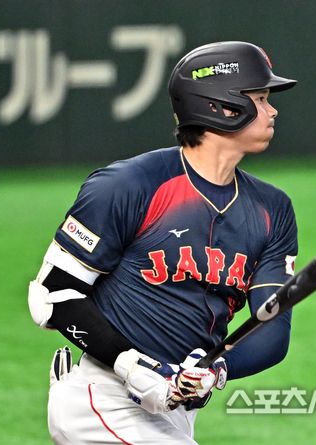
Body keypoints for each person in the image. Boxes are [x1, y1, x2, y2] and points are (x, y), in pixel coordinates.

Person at [28, 41, 298, 444]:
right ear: (222, 107)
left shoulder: (272, 210)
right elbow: (53, 294)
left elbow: (271, 325)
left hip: (173, 414)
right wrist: (132, 366)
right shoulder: (129, 185)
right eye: (260, 98)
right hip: (101, 400)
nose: (272, 110)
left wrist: (217, 369)